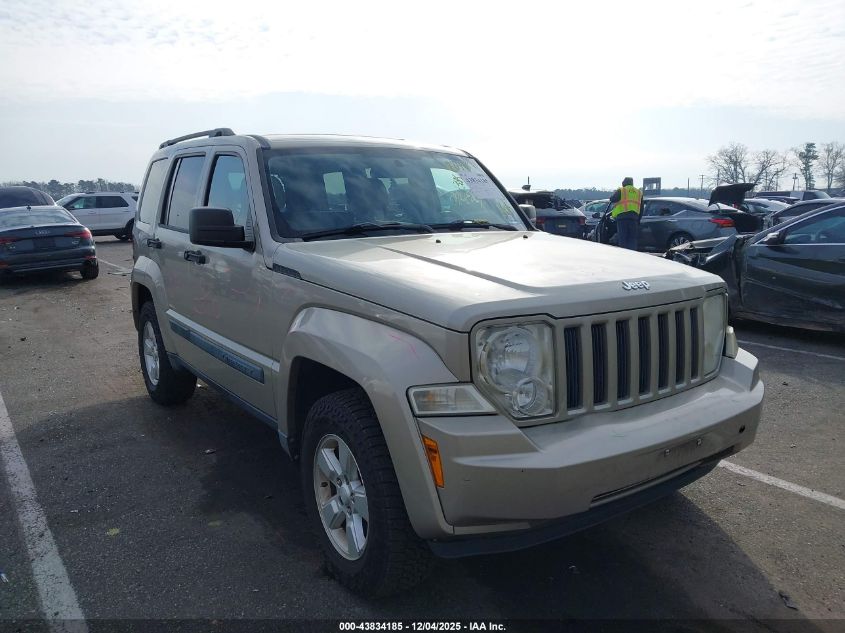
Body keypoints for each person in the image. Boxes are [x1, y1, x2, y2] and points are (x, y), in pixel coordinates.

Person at [608, 177, 644, 250]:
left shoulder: (622, 190)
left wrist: (616, 191)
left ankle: (624, 257)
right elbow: (641, 208)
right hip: (634, 218)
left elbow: (612, 199)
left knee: (623, 238)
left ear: (623, 183)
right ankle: (632, 255)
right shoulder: (639, 192)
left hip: (622, 218)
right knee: (632, 239)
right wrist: (638, 220)